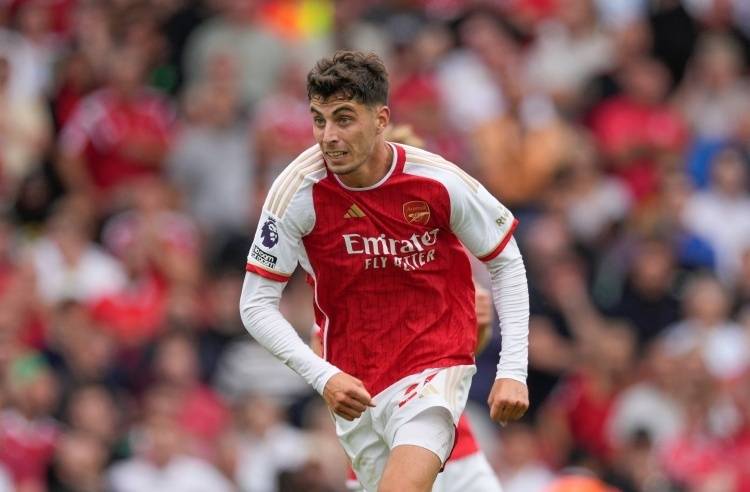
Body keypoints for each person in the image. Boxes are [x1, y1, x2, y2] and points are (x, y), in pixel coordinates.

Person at [239, 50, 529, 492]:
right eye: (319, 120)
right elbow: (255, 305)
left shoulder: (439, 181)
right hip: (358, 391)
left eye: (343, 119)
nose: (329, 136)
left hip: (432, 370)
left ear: (381, 119)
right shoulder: (297, 192)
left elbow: (506, 260)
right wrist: (325, 376)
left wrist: (513, 370)